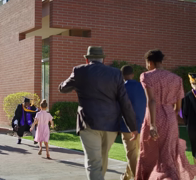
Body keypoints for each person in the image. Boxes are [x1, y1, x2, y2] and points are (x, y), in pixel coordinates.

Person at [59, 46, 138, 180]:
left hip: (88, 123)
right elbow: (125, 102)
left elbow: (63, 89)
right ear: (103, 59)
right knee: (101, 158)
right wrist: (133, 127)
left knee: (94, 162)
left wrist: (72, 82)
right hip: (111, 124)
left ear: (87, 59)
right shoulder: (116, 73)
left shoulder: (79, 71)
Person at [136, 50, 196, 180]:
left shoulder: (146, 76)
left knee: (147, 153)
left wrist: (152, 125)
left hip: (152, 117)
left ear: (150, 62)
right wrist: (170, 115)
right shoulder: (176, 79)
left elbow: (151, 100)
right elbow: (178, 106)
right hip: (170, 118)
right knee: (168, 154)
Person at [119, 65, 147, 180]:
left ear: (122, 75)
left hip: (127, 126)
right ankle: (126, 176)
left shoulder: (121, 88)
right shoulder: (142, 86)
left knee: (132, 154)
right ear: (133, 74)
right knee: (136, 153)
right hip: (142, 124)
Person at [182, 73, 196, 165]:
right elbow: (184, 112)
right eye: (194, 84)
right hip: (192, 126)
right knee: (194, 147)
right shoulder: (187, 96)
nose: (195, 86)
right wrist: (187, 123)